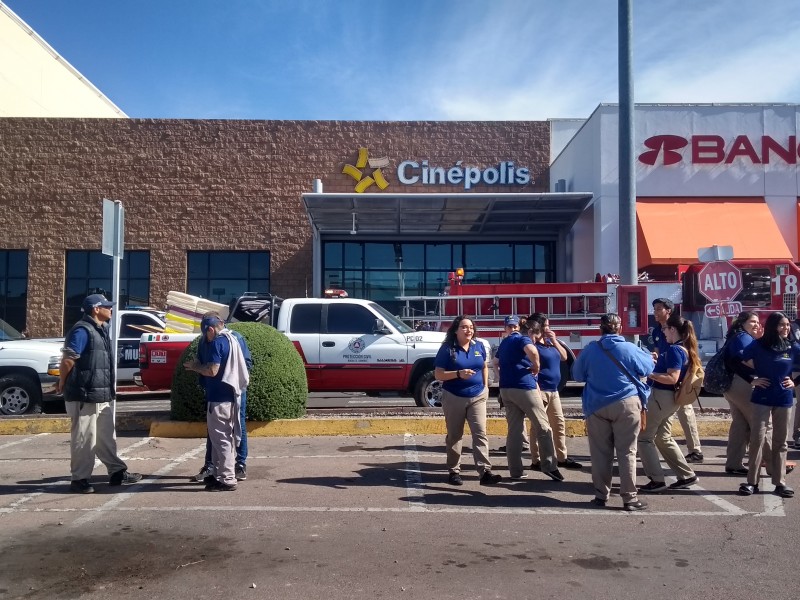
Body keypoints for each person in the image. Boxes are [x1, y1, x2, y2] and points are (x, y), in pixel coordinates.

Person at [56, 294, 143, 494]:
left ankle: (116, 471)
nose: (110, 309)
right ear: (96, 309)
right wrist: (62, 381)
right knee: (84, 438)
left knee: (105, 436)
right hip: (84, 394)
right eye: (106, 306)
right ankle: (79, 479)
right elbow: (69, 359)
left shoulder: (100, 329)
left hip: (100, 393)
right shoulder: (82, 330)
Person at [572, 313, 653, 511]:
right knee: (627, 452)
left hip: (596, 405)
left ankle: (601, 495)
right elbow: (648, 368)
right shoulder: (629, 347)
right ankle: (629, 498)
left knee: (600, 453)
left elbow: (577, 374)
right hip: (626, 404)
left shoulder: (591, 350)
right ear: (619, 329)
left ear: (600, 329)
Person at [184, 313, 249, 492]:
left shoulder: (217, 343)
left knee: (221, 440)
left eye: (206, 333)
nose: (205, 337)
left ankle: (227, 478)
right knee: (221, 437)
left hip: (219, 399)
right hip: (229, 397)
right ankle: (219, 475)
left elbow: (212, 370)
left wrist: (195, 367)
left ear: (211, 329)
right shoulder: (232, 339)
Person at [737, 311, 799, 498]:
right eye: (782, 325)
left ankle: (780, 483)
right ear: (772, 326)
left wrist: (794, 383)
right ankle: (751, 482)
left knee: (781, 443)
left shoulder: (793, 347)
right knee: (757, 439)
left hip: (783, 398)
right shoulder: (758, 345)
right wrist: (751, 380)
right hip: (761, 398)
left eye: (787, 325)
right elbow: (735, 361)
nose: (786, 328)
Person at [434, 315, 500, 486]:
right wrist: (458, 374)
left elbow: (484, 366)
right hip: (454, 396)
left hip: (477, 396)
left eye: (471, 327)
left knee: (480, 433)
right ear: (456, 330)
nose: (468, 330)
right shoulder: (447, 349)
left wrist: (486, 387)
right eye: (464, 327)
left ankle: (485, 472)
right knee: (455, 436)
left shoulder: (478, 346)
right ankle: (454, 471)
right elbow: (438, 374)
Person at [495, 316, 563, 481]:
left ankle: (515, 470)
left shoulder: (505, 341)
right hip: (524, 387)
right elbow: (532, 351)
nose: (535, 340)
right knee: (543, 426)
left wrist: (500, 378)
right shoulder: (523, 338)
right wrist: (536, 366)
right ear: (531, 331)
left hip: (506, 389)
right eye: (535, 337)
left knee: (514, 432)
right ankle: (549, 465)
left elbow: (494, 362)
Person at [639, 314, 699, 492]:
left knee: (644, 438)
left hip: (661, 397)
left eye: (665, 328)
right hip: (670, 399)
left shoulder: (674, 350)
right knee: (663, 437)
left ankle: (657, 479)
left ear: (673, 329)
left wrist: (649, 374)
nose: (663, 332)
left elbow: (672, 378)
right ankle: (686, 475)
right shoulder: (684, 348)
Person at [650, 298, 704, 463]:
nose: (656, 312)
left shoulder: (680, 328)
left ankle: (695, 450)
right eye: (654, 309)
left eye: (659, 308)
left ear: (669, 311)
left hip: (678, 380)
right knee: (666, 420)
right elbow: (658, 351)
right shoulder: (657, 331)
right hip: (664, 380)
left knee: (685, 412)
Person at [527, 312, 582, 470]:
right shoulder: (533, 344)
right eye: (545, 326)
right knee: (539, 426)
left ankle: (562, 457)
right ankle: (536, 460)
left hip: (554, 390)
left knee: (558, 423)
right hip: (540, 390)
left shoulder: (551, 343)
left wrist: (554, 340)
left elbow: (564, 357)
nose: (548, 328)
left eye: (549, 325)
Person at [722, 311, 772, 475]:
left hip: (733, 385)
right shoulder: (743, 338)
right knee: (762, 423)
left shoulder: (738, 337)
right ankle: (773, 464)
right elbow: (750, 361)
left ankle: (734, 463)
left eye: (758, 322)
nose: (757, 324)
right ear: (742, 322)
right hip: (743, 384)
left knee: (740, 425)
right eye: (752, 321)